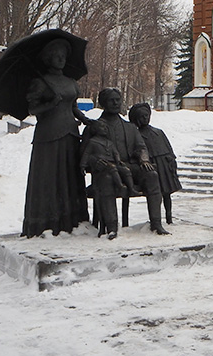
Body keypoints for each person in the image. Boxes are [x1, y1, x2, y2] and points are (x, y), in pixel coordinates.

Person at [22, 38, 90, 237]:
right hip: (49, 136)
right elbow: (32, 109)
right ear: (48, 59)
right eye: (56, 56)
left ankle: (72, 220)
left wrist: (86, 120)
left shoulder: (70, 82)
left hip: (70, 133)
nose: (60, 59)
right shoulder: (40, 82)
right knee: (49, 177)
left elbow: (74, 107)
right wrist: (51, 104)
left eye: (63, 56)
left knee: (70, 176)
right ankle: (47, 221)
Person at [96, 88, 170, 235]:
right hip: (108, 170)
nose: (116, 103)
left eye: (118, 99)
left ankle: (156, 224)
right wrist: (96, 162)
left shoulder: (129, 127)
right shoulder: (96, 127)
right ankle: (111, 227)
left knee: (152, 175)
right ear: (103, 103)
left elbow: (141, 146)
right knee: (106, 179)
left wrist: (144, 160)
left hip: (130, 167)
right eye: (112, 100)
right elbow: (86, 151)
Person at [80, 120, 135, 240]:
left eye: (106, 127)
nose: (105, 129)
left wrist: (118, 159)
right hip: (102, 172)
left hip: (113, 166)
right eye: (102, 127)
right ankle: (111, 226)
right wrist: (84, 165)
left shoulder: (109, 142)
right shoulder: (92, 142)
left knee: (125, 170)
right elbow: (85, 155)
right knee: (109, 178)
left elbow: (115, 153)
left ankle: (131, 188)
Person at [128, 102, 181, 225]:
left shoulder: (159, 132)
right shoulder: (136, 135)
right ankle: (156, 218)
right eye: (142, 117)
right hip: (152, 165)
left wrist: (171, 159)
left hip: (164, 164)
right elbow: (135, 151)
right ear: (136, 119)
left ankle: (169, 217)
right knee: (156, 194)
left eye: (146, 115)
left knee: (167, 193)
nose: (145, 118)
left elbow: (168, 148)